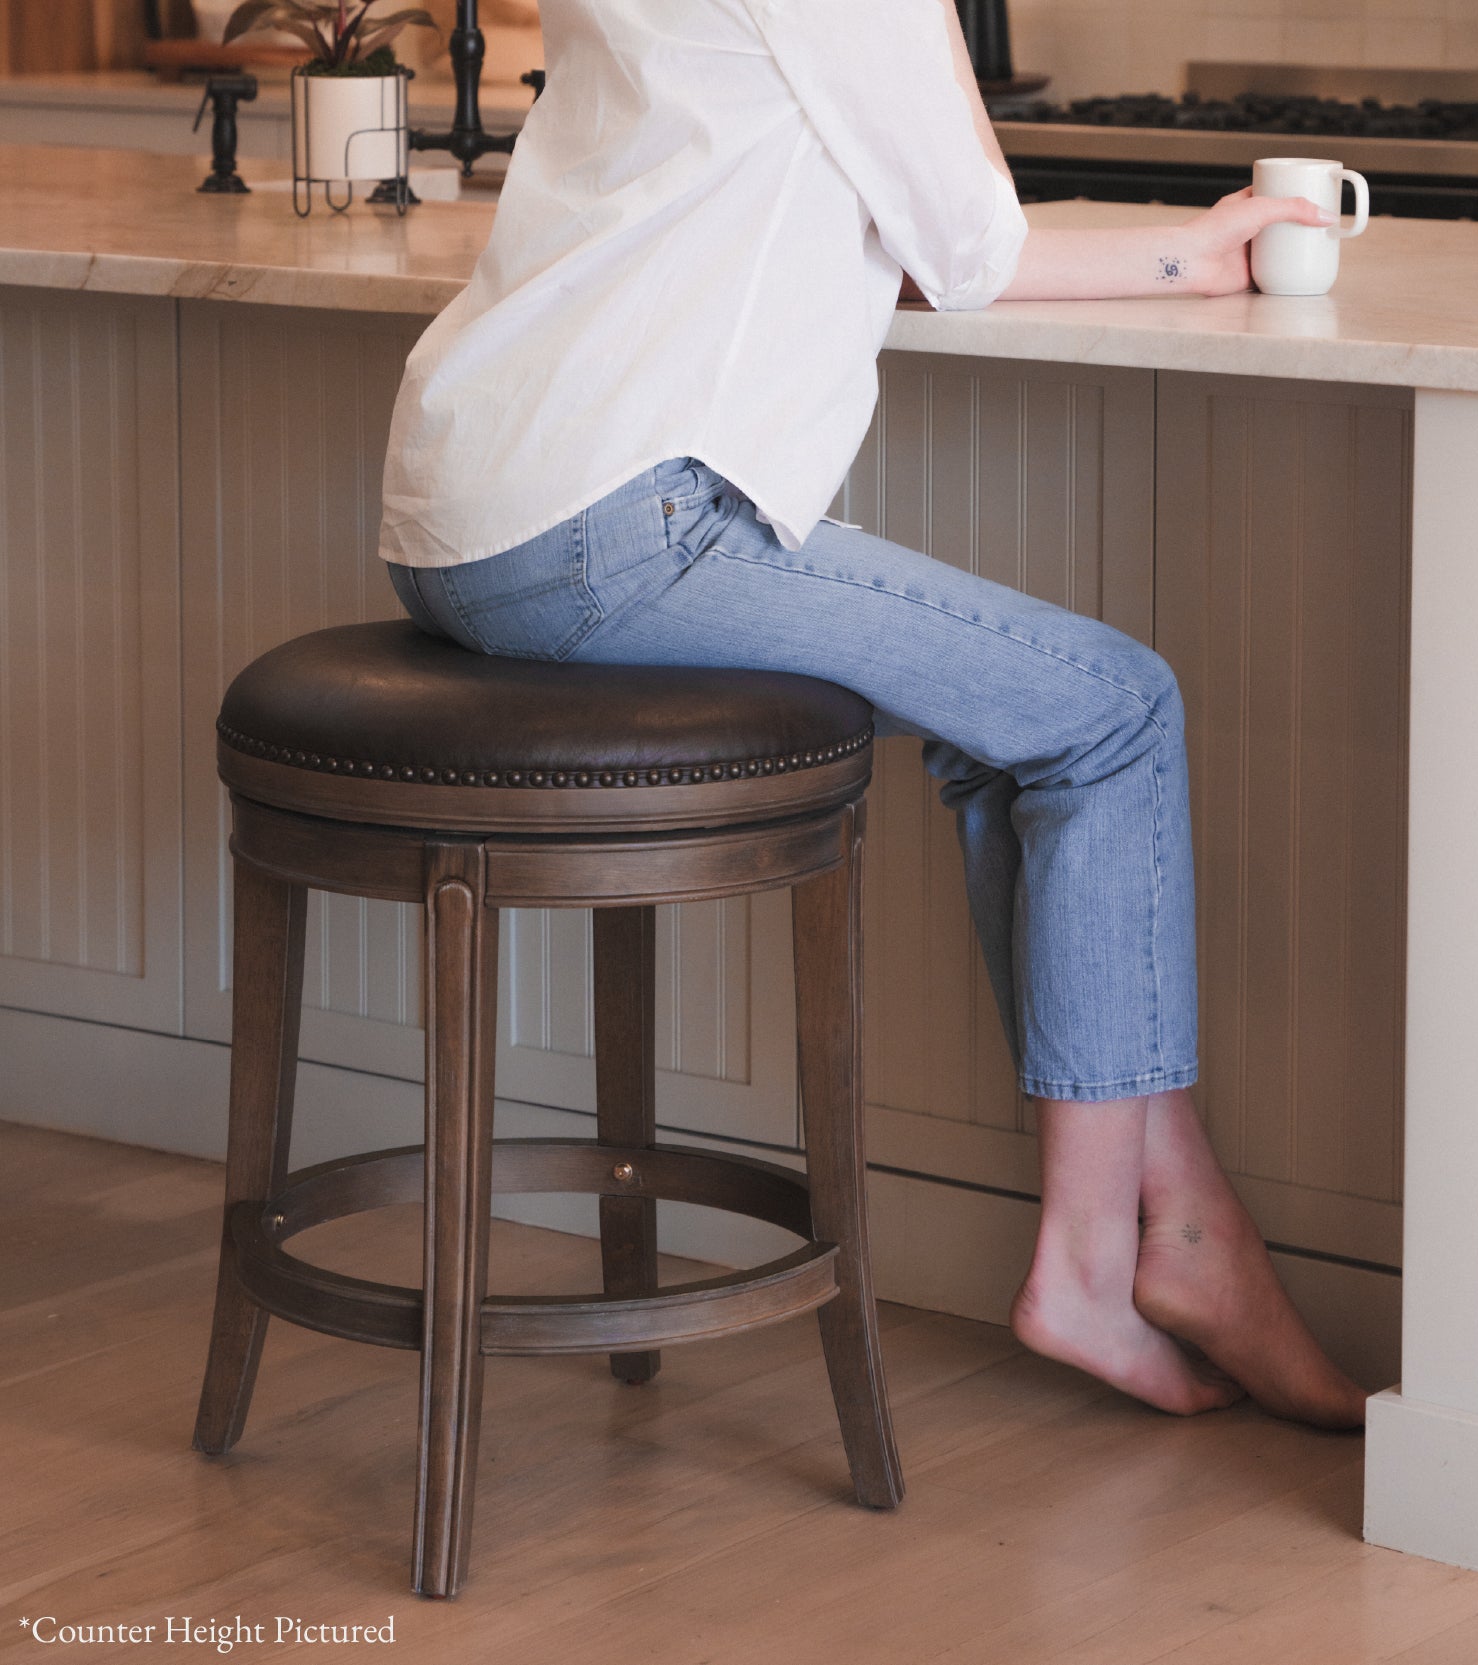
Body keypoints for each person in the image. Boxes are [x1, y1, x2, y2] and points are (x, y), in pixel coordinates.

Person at [379, 0, 1366, 1429]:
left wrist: (1180, 251)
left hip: (466, 517)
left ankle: (1191, 1224)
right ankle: (1097, 1265)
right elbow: (965, 250)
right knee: (1114, 709)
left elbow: (890, 246)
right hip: (617, 522)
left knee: (1021, 717)